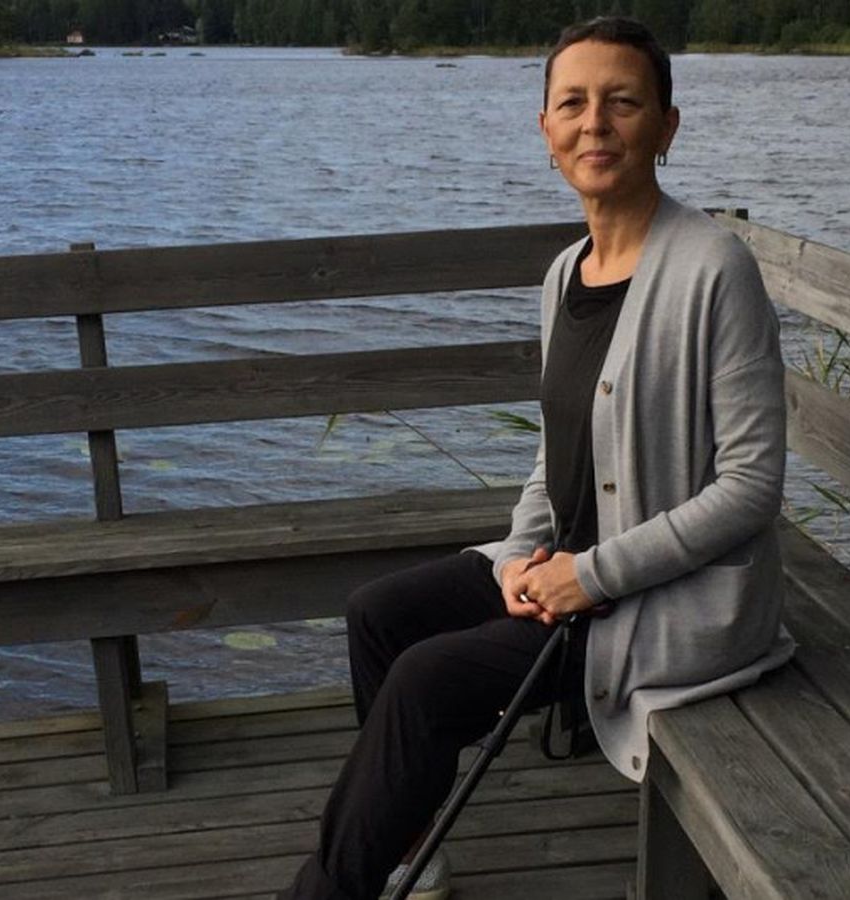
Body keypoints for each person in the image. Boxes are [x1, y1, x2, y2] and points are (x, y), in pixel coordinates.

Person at [282, 15, 794, 900]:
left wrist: (588, 577)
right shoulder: (565, 274)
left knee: (425, 680)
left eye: (622, 101)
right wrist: (518, 560)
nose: (596, 123)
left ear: (666, 126)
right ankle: (408, 845)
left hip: (660, 600)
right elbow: (558, 454)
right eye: (573, 103)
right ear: (546, 129)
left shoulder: (716, 269)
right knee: (379, 614)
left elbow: (751, 488)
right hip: (568, 572)